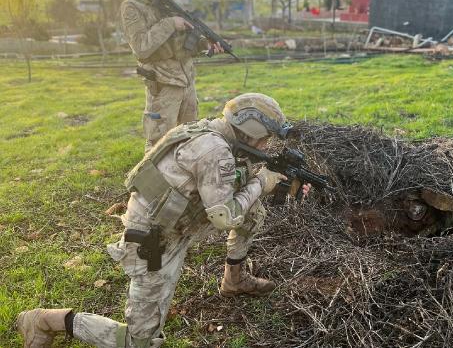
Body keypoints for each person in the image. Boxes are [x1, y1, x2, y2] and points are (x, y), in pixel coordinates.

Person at [17, 93, 309, 348]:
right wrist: (261, 182)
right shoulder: (214, 150)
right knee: (139, 341)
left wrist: (277, 182)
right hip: (153, 240)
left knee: (253, 211)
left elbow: (223, 180)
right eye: (266, 138)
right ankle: (45, 321)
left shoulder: (210, 131)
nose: (266, 144)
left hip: (178, 219)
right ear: (250, 130)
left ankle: (234, 280)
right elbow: (224, 216)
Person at [121, 0, 224, 151]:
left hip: (187, 83)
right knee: (159, 145)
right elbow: (141, 47)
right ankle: (151, 182)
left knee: (190, 139)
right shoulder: (132, 7)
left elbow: (183, 41)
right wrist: (170, 24)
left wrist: (205, 44)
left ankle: (183, 181)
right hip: (163, 85)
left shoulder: (168, 4)